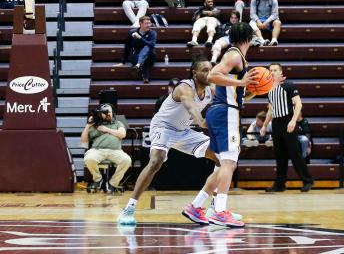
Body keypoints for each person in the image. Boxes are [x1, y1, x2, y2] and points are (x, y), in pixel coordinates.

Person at [118, 60, 220, 225]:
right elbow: (190, 104)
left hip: (183, 131)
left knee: (222, 156)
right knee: (156, 161)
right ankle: (129, 208)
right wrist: (200, 120)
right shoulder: (184, 87)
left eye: (211, 70)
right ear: (194, 73)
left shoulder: (211, 90)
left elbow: (233, 97)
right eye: (204, 70)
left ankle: (215, 208)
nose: (209, 73)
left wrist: (252, 89)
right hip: (163, 127)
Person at [195, 22, 258, 227]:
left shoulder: (235, 56)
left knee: (223, 165)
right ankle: (219, 211)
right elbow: (212, 76)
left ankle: (196, 206)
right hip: (226, 113)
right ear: (248, 38)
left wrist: (248, 90)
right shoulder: (235, 55)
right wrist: (241, 83)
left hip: (220, 111)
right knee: (230, 163)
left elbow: (225, 87)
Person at [263, 62, 314, 192]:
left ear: (281, 72)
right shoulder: (269, 89)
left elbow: (298, 104)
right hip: (276, 123)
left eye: (275, 70)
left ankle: (307, 180)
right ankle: (280, 184)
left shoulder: (288, 85)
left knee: (294, 153)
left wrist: (293, 121)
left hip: (288, 121)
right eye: (270, 70)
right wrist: (264, 125)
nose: (272, 72)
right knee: (279, 155)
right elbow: (271, 109)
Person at [81, 103, 130, 194]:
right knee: (89, 158)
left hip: (116, 151)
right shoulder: (95, 125)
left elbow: (122, 134)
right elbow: (83, 142)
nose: (108, 114)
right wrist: (88, 125)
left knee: (126, 160)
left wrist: (106, 129)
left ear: (113, 113)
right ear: (100, 114)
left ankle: (113, 183)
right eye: (105, 113)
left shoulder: (118, 123)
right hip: (97, 150)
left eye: (110, 112)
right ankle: (98, 179)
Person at [118, 17, 157, 83]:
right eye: (146, 23)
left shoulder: (152, 33)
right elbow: (128, 47)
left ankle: (138, 67)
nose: (148, 25)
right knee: (143, 57)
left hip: (151, 56)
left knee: (147, 48)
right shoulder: (132, 32)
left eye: (149, 23)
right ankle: (143, 73)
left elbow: (152, 45)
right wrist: (123, 62)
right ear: (140, 24)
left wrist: (140, 38)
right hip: (137, 55)